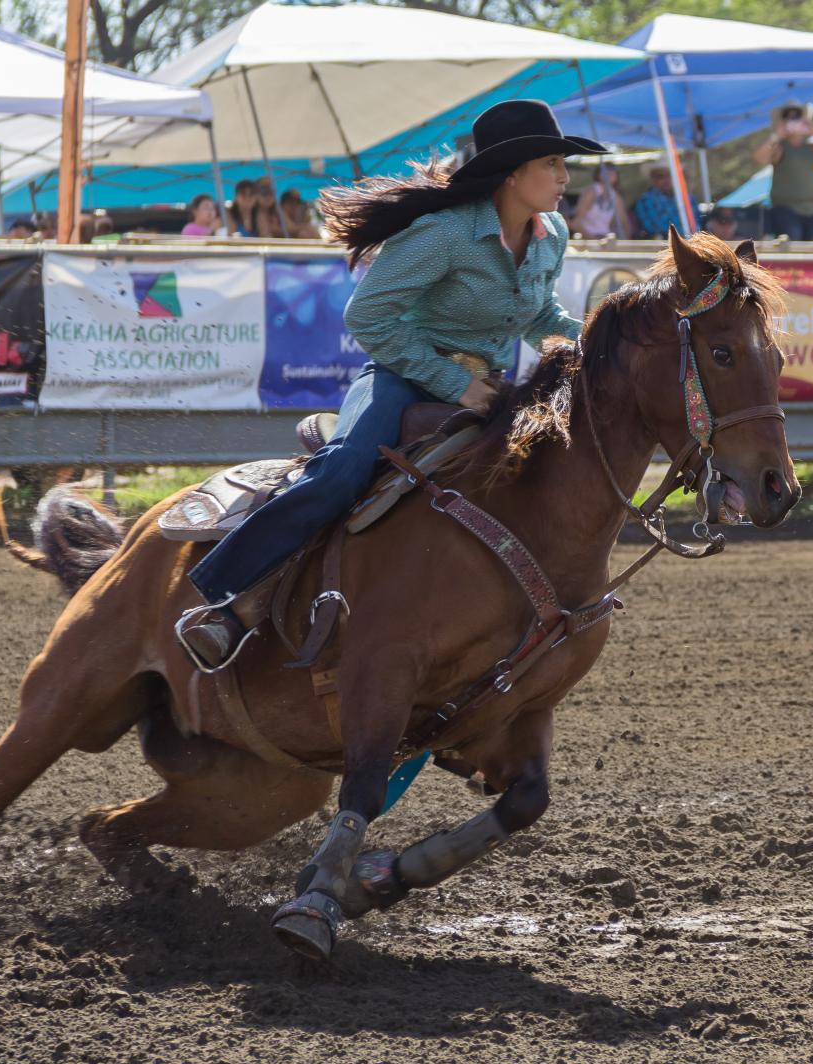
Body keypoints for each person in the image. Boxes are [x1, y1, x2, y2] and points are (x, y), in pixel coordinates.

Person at [177, 99, 607, 667]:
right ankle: (228, 602)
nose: (564, 178)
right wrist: (454, 383)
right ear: (513, 174)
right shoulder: (443, 235)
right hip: (403, 377)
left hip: (489, 386)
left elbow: (538, 313)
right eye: (552, 163)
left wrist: (603, 338)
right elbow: (366, 318)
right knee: (344, 471)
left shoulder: (551, 234)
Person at [751, 103, 813, 241]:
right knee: (791, 244)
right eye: (788, 119)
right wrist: (776, 136)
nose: (793, 123)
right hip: (785, 208)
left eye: (797, 118)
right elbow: (758, 158)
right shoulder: (779, 147)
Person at [571, 163, 633, 238]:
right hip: (588, 240)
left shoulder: (615, 196)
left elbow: (624, 222)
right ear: (598, 175)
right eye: (607, 171)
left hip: (606, 239)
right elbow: (576, 224)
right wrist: (594, 240)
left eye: (613, 171)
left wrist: (626, 241)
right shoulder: (590, 193)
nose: (611, 174)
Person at [633, 164, 684, 239]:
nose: (667, 180)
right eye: (661, 176)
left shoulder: (686, 198)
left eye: (670, 175)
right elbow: (654, 229)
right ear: (653, 179)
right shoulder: (645, 201)